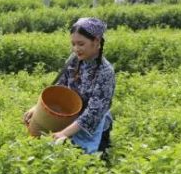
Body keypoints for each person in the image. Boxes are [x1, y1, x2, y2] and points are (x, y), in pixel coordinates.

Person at [23, 17, 115, 155]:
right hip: (68, 120)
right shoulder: (74, 61)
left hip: (93, 128)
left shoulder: (105, 71)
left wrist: (63, 133)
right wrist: (37, 108)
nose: (76, 49)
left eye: (81, 44)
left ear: (96, 41)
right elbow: (60, 89)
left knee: (90, 164)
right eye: (73, 44)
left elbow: (94, 112)